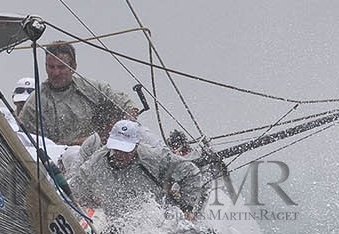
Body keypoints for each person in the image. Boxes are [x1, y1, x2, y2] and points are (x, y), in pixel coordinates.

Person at [67, 119, 205, 221]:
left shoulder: (154, 157)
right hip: (116, 222)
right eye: (117, 149)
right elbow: (72, 195)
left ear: (136, 145)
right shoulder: (93, 165)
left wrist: (188, 208)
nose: (120, 154)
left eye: (126, 150)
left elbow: (191, 173)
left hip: (158, 217)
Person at [15, 41, 137, 146]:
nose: (56, 73)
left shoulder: (93, 89)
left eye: (61, 67)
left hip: (102, 152)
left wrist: (119, 130)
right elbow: (25, 141)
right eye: (51, 67)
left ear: (73, 67)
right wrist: (79, 143)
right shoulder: (35, 103)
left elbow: (129, 107)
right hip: (61, 158)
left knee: (142, 134)